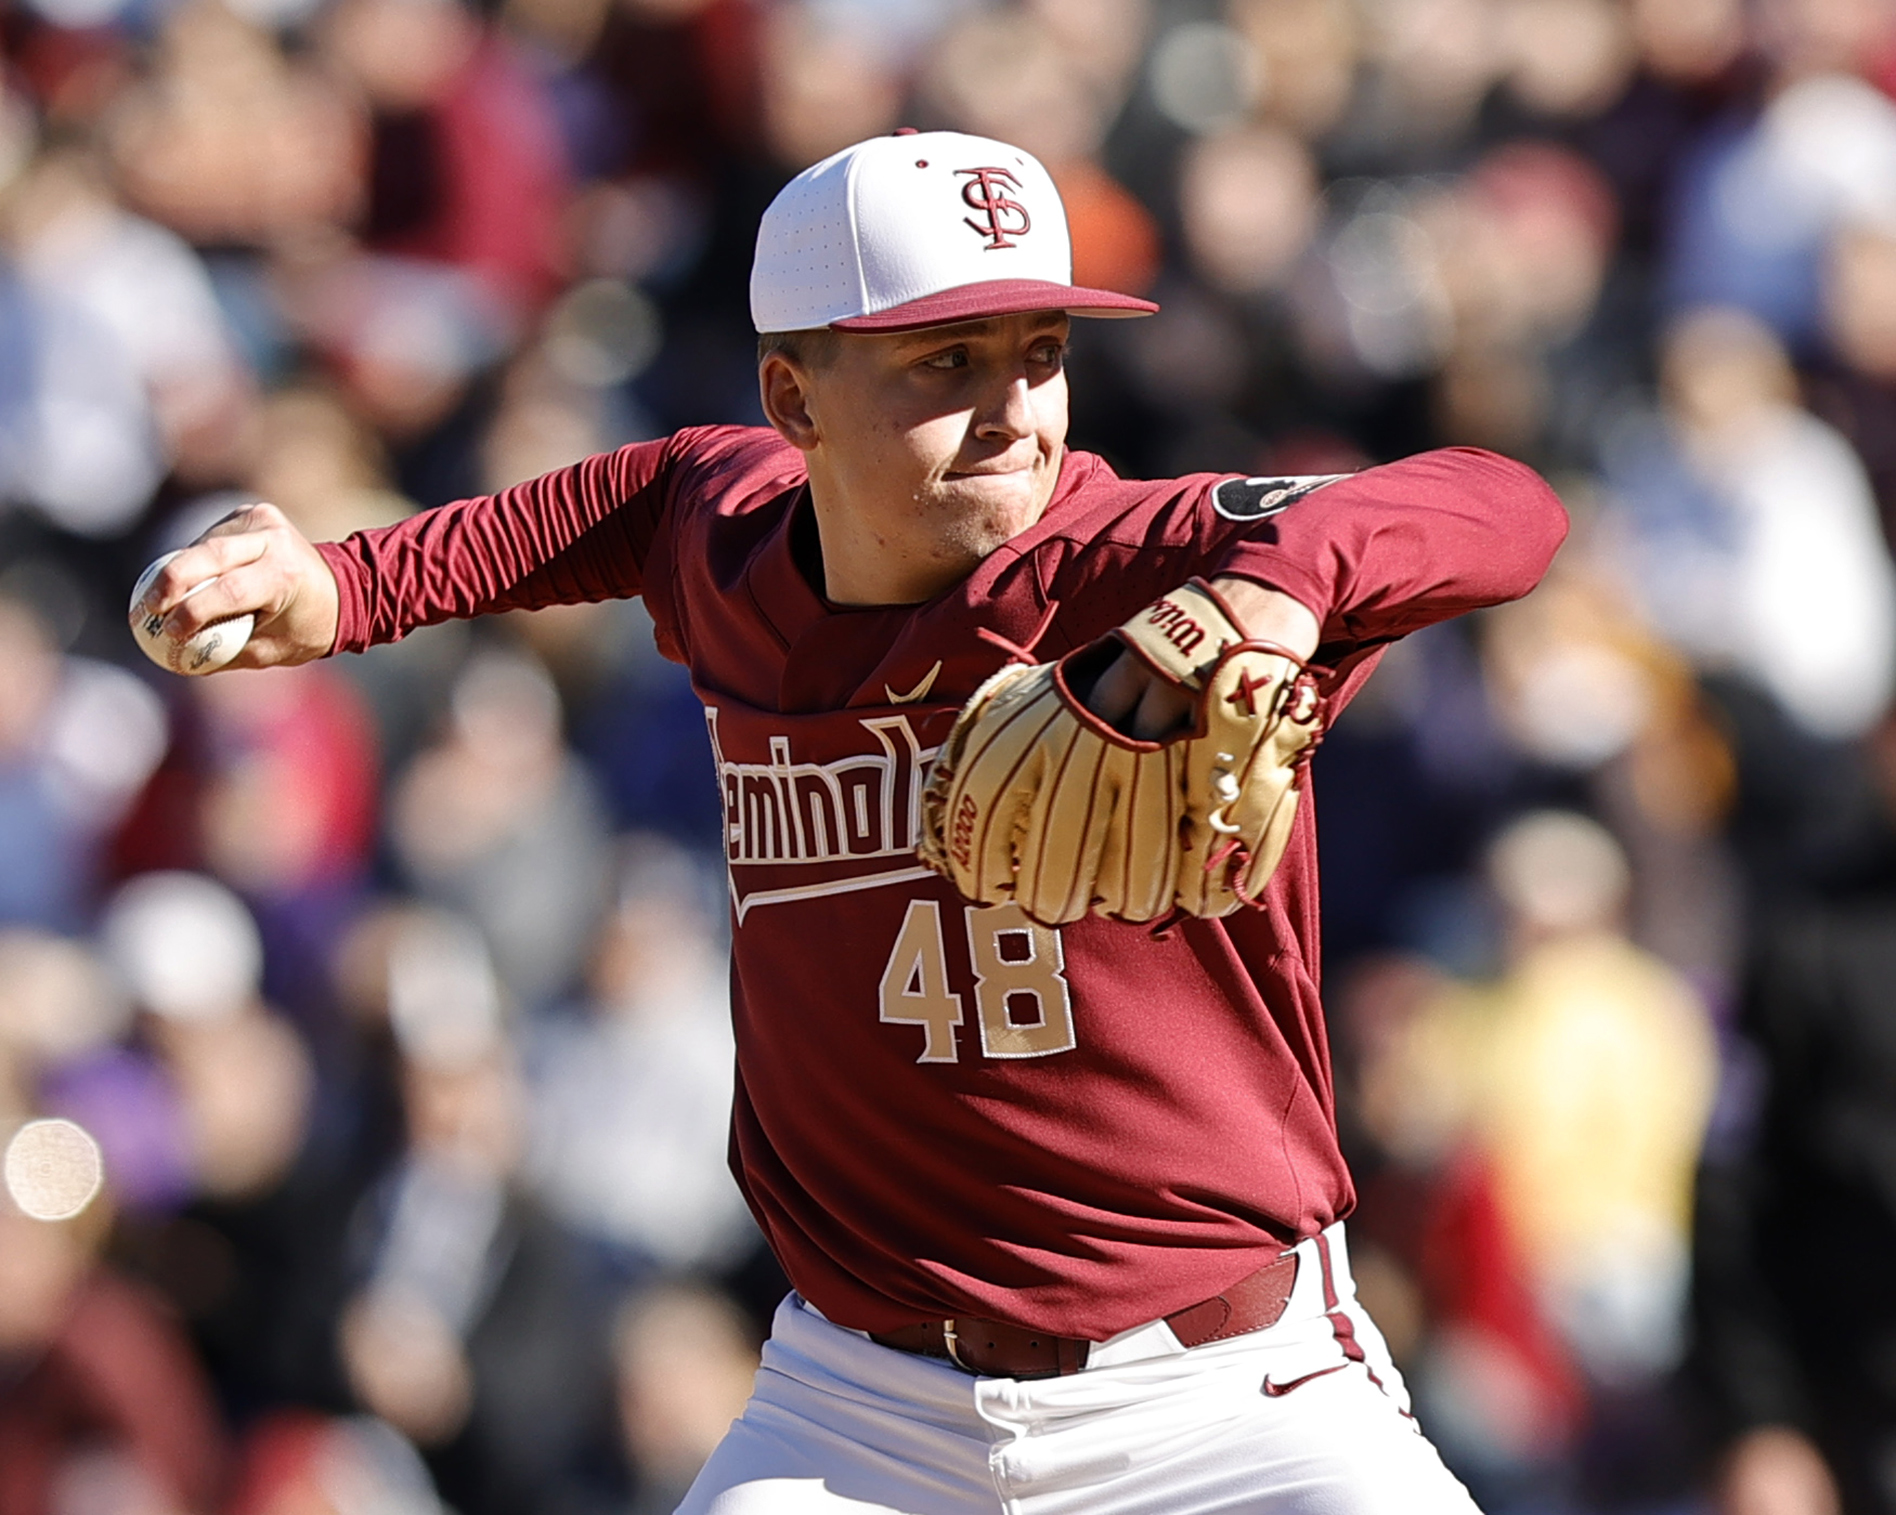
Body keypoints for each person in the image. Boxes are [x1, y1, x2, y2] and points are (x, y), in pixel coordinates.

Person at [133, 130, 1567, 1514]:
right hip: (864, 1412)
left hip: (1226, 1394)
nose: (1016, 411)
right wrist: (350, 585)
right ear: (796, 399)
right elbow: (622, 499)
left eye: (1043, 357)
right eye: (950, 361)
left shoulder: (1143, 561)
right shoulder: (735, 537)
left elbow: (1501, 507)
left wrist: (1288, 580)